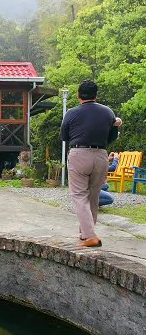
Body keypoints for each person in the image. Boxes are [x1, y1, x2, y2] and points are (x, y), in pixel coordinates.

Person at [60, 79, 122, 248]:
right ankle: (85, 233)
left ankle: (90, 236)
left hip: (79, 153)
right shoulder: (108, 112)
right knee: (93, 196)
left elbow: (64, 137)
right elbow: (112, 137)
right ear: (96, 95)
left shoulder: (71, 113)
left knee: (79, 195)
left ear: (78, 95)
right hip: (101, 155)